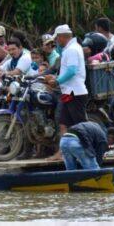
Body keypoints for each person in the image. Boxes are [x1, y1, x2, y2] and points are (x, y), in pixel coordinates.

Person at [44, 24, 88, 157]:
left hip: (75, 92)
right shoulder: (70, 49)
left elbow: (72, 70)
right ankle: (62, 152)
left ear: (63, 37)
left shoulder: (72, 49)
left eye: (57, 39)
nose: (56, 42)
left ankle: (87, 149)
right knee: (63, 123)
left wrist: (57, 81)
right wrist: (56, 78)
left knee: (79, 125)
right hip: (68, 92)